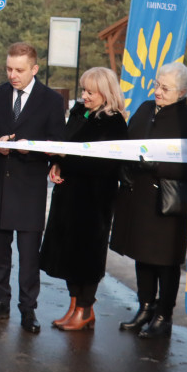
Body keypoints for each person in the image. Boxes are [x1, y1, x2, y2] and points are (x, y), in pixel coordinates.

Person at [0, 42, 65, 334]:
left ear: (34, 69)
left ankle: (28, 309)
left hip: (29, 188)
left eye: (19, 70)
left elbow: (58, 142)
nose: (13, 75)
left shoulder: (51, 100)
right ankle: (0, 301)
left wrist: (36, 149)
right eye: (9, 69)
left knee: (29, 255)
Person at [38, 67, 128, 331]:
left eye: (91, 92)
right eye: (83, 90)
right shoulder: (79, 113)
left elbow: (105, 165)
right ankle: (74, 305)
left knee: (87, 255)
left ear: (106, 93)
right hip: (68, 195)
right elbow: (65, 145)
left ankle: (85, 308)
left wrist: (64, 159)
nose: (84, 96)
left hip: (93, 200)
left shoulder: (114, 123)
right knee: (68, 253)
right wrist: (56, 163)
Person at [110, 62, 187, 339]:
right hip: (139, 196)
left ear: (181, 92)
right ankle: (145, 307)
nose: (157, 91)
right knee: (142, 255)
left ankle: (163, 315)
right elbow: (128, 141)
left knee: (165, 261)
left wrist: (157, 166)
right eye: (157, 85)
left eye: (165, 88)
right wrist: (123, 165)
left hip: (166, 201)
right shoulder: (146, 109)